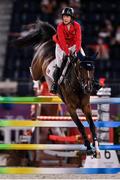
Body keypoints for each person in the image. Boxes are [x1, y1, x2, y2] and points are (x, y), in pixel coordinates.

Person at [50, 7, 85, 94]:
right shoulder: (60, 26)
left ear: (71, 18)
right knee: (59, 64)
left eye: (67, 16)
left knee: (84, 60)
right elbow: (62, 42)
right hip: (61, 46)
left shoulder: (77, 26)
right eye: (64, 16)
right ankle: (55, 84)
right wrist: (68, 53)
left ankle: (90, 82)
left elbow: (78, 40)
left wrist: (77, 52)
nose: (65, 18)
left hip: (73, 45)